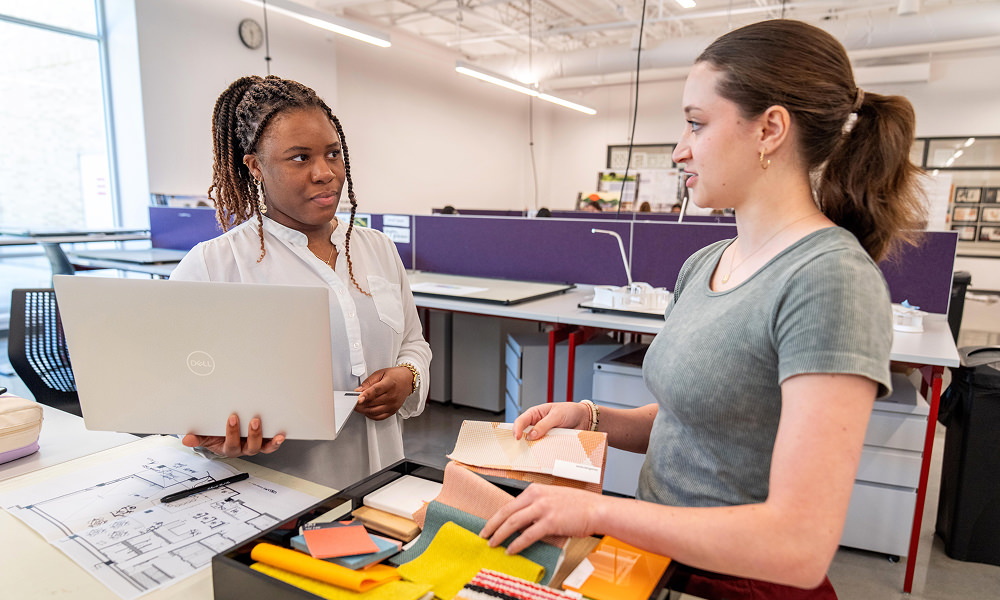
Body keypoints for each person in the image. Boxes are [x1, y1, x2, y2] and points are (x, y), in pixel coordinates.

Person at [481, 19, 925, 599]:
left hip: (740, 582)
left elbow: (798, 544)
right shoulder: (708, 261)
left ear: (769, 129)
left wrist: (599, 515)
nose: (679, 149)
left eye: (697, 123)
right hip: (656, 564)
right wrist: (590, 419)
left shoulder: (830, 280)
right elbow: (694, 422)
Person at [171, 75, 431, 490]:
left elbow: (413, 344)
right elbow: (176, 395)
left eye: (333, 153)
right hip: (275, 500)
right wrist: (216, 437)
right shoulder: (215, 265)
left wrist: (408, 376)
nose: (325, 172)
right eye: (299, 158)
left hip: (383, 486)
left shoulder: (378, 249)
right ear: (256, 166)